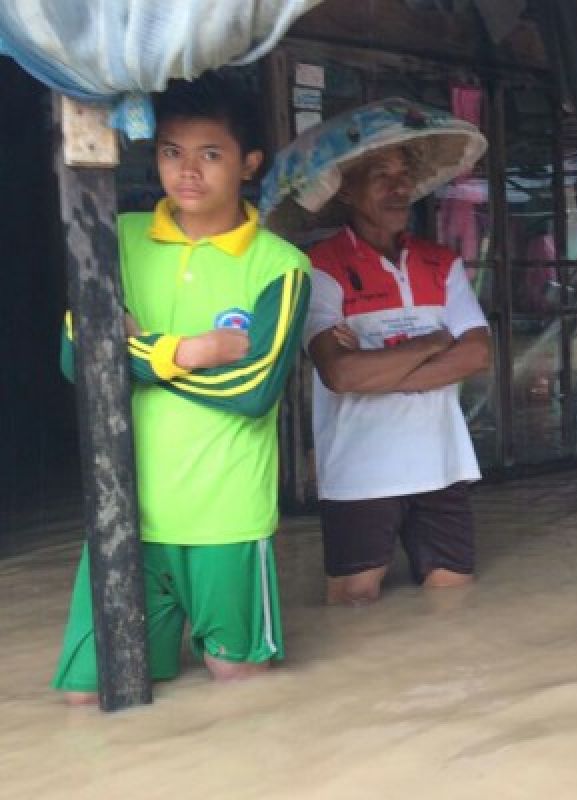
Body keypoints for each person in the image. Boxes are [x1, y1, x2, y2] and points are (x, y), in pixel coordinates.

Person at [52, 72, 312, 704]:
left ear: (249, 163)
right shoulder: (117, 237)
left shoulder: (281, 266)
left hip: (226, 517)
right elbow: (76, 359)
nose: (187, 171)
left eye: (210, 154)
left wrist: (136, 349)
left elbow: (255, 388)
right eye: (172, 151)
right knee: (89, 698)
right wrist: (189, 351)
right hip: (125, 515)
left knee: (241, 691)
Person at [303, 142, 491, 605]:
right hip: (359, 470)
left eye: (404, 174)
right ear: (346, 190)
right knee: (352, 605)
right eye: (380, 175)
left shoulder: (441, 263)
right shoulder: (319, 267)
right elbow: (340, 374)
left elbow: (476, 355)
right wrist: (429, 343)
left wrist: (377, 370)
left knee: (455, 602)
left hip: (442, 462)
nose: (399, 187)